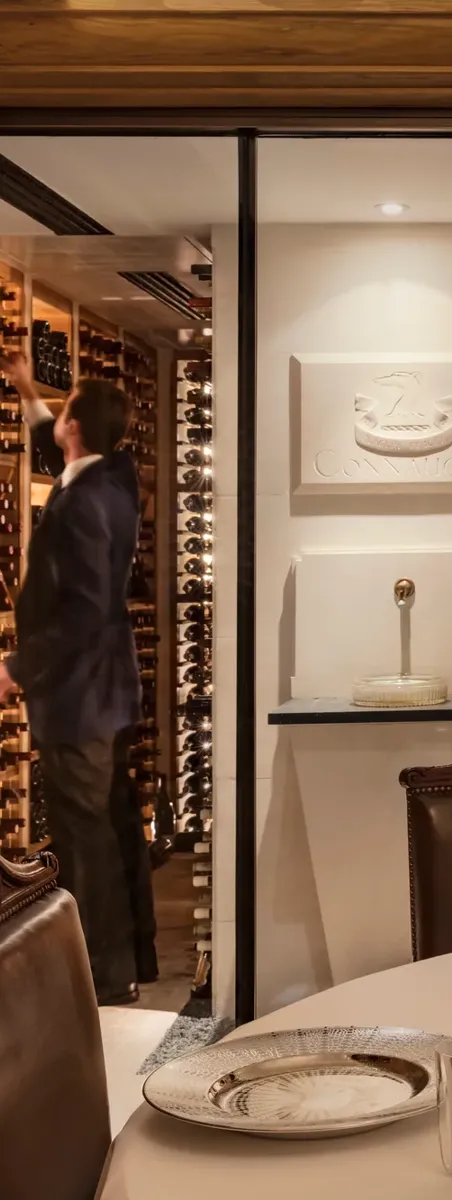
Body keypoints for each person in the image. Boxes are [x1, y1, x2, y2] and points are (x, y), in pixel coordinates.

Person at [0, 351, 148, 1005]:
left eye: (61, 416)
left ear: (76, 429)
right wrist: (28, 388)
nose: (55, 424)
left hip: (79, 693)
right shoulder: (113, 478)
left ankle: (104, 976)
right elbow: (55, 447)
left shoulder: (85, 502)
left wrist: (15, 667)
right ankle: (132, 957)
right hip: (107, 690)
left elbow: (85, 609)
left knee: (82, 835)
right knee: (110, 825)